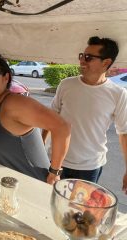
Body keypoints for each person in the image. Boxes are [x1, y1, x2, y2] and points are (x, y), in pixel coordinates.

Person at [43, 36, 127, 193]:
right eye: (82, 56)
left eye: (88, 57)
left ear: (106, 63)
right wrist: (40, 148)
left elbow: (124, 133)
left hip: (90, 167)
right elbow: (51, 118)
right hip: (56, 162)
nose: (82, 60)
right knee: (48, 203)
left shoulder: (118, 94)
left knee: (77, 213)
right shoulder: (66, 84)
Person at [0, 53, 71, 184]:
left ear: (6, 77)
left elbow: (62, 127)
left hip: (33, 187)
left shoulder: (14, 103)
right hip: (10, 189)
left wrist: (55, 172)